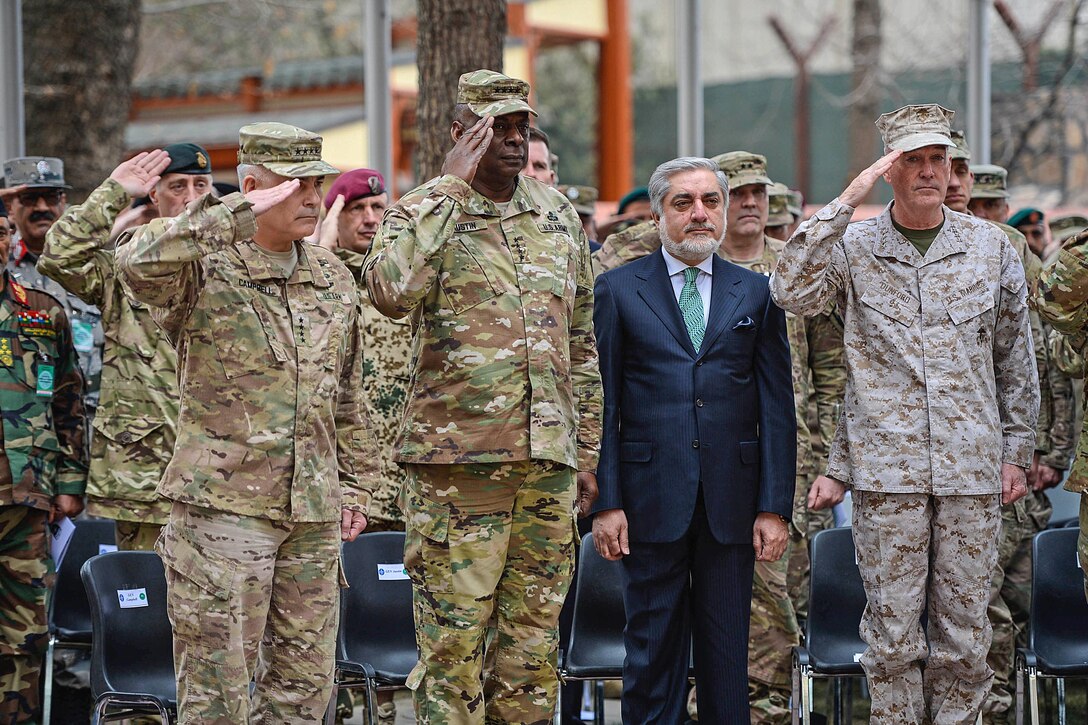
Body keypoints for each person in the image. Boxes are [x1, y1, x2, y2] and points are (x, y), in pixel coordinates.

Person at [770, 104, 1039, 724]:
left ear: (951, 168)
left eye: (936, 160)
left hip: (973, 471)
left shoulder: (990, 247)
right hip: (887, 473)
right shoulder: (856, 247)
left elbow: (1013, 357)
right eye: (911, 161)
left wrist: (1016, 453)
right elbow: (789, 288)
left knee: (966, 640)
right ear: (889, 170)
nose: (926, 172)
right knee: (891, 638)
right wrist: (845, 201)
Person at [116, 122, 378, 723]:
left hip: (312, 514)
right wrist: (228, 213)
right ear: (253, 187)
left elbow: (346, 395)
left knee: (304, 690)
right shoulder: (202, 262)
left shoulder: (334, 278)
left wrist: (356, 485)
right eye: (297, 185)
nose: (314, 198)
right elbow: (135, 264)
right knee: (218, 692)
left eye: (319, 183)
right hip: (223, 509)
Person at [363, 69, 601, 724]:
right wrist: (445, 187)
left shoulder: (555, 215)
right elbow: (388, 290)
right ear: (461, 131)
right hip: (456, 474)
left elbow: (581, 343)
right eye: (499, 127)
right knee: (454, 649)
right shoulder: (421, 210)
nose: (514, 140)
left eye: (523, 126)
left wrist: (585, 453)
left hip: (545, 470)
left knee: (531, 650)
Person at [592, 156, 795, 723]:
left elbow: (778, 407)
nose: (699, 214)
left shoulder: (756, 293)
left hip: (732, 504)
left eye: (710, 201)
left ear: (725, 212)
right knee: (651, 657)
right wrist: (607, 501)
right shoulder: (617, 289)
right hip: (647, 500)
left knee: (728, 661)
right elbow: (602, 405)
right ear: (658, 214)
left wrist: (774, 507)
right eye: (683, 203)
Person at [711, 150, 844, 723]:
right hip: (709, 461)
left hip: (790, 467)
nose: (748, 203)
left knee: (779, 600)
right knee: (712, 593)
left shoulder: (793, 270)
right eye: (735, 193)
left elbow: (833, 371)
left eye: (757, 193)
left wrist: (834, 460)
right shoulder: (688, 268)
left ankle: (768, 710)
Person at [39, 144, 211, 552]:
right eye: (177, 186)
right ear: (154, 196)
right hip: (144, 473)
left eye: (200, 185)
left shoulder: (237, 263)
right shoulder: (123, 268)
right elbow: (59, 255)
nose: (190, 197)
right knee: (144, 604)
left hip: (219, 475)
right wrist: (114, 191)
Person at [316, 167, 403, 725]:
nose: (370, 219)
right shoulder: (324, 280)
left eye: (377, 208)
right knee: (337, 613)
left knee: (398, 613)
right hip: (342, 480)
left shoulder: (396, 279)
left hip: (402, 475)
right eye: (355, 209)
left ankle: (391, 713)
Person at [0, 196, 87, 724]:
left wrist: (69, 482)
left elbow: (69, 402)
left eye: (0, 230)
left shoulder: (41, 310)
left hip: (25, 500)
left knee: (25, 635)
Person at [3, 157, 103, 417]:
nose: (42, 207)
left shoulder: (93, 265)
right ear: (9, 207)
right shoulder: (3, 267)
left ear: (63, 203)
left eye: (51, 197)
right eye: (29, 199)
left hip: (91, 421)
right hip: (22, 424)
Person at [560, 184, 600, 251]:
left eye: (582, 222)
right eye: (568, 222)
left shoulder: (604, 256)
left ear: (594, 225)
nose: (575, 230)